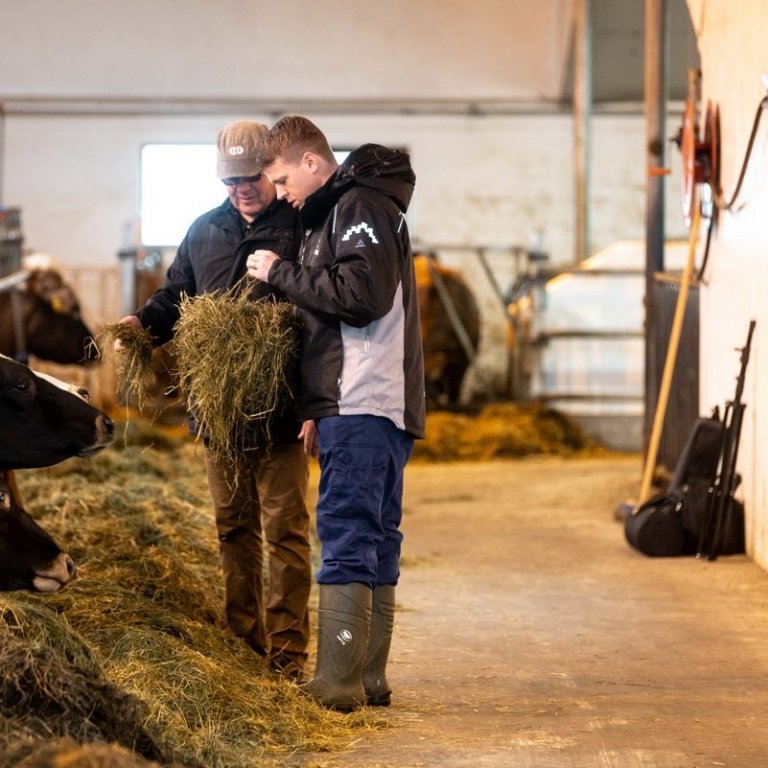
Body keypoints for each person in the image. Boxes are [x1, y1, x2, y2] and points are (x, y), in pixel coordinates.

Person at [116, 120, 312, 680]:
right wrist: (141, 325)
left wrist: (319, 404)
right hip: (218, 415)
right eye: (231, 181)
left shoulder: (300, 224)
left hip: (280, 410)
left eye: (250, 177)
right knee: (233, 529)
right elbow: (176, 296)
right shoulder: (205, 231)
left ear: (270, 169)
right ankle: (243, 641)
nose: (242, 189)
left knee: (287, 532)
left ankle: (289, 652)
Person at [246, 116, 426, 712]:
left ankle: (337, 682)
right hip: (367, 402)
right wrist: (318, 404)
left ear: (310, 163)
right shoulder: (357, 207)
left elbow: (359, 297)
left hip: (365, 399)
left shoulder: (357, 207)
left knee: (348, 535)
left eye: (280, 178)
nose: (279, 192)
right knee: (376, 537)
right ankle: (366, 677)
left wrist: (280, 272)